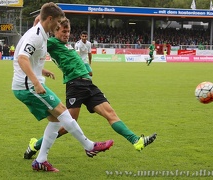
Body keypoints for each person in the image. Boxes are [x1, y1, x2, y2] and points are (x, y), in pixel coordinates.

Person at [24, 17, 157, 160]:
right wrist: (38, 22)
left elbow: (77, 59)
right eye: (63, 31)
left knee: (110, 113)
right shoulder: (51, 43)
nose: (67, 34)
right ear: (55, 31)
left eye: (68, 31)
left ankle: (136, 140)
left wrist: (87, 68)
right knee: (70, 124)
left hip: (88, 84)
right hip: (75, 85)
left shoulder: (68, 45)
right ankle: (36, 145)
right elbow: (35, 40)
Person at [12, 2, 113, 172]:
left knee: (55, 119)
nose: (59, 25)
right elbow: (22, 58)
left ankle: (40, 160)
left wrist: (41, 70)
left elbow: (27, 56)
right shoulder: (36, 36)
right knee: (63, 112)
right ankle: (89, 145)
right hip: (27, 86)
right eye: (57, 22)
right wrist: (36, 82)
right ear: (49, 19)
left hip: (29, 83)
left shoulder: (41, 32)